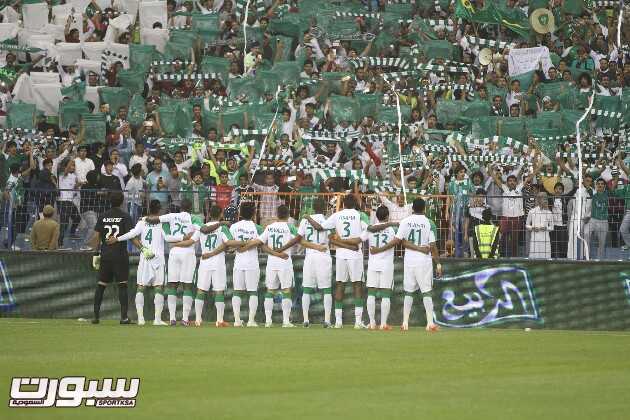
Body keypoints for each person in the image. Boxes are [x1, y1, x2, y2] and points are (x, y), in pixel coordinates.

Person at [307, 194, 368, 329]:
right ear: (355, 204)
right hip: (355, 254)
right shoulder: (360, 215)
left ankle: (338, 322)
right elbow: (367, 231)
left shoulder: (337, 215)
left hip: (340, 255)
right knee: (357, 285)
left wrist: (308, 217)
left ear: (344, 204)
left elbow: (319, 228)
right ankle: (358, 322)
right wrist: (357, 241)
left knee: (340, 285)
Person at [382, 198, 441, 332]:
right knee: (426, 291)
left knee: (408, 292)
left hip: (409, 260)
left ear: (412, 208)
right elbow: (432, 246)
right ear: (424, 209)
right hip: (424, 261)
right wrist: (438, 264)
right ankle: (430, 323)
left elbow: (399, 241)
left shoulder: (405, 221)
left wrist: (381, 249)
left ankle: (405, 323)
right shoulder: (429, 223)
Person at [145, 199, 198, 326]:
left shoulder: (172, 216)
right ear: (191, 208)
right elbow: (198, 234)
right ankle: (185, 319)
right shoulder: (194, 218)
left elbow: (154, 220)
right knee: (187, 286)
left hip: (174, 253)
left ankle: (173, 318)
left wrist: (144, 219)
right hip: (188, 253)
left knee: (172, 285)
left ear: (180, 208)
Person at [244, 204, 296, 328]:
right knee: (286, 290)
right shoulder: (291, 227)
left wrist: (245, 246)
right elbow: (297, 240)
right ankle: (286, 321)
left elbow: (259, 242)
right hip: (285, 260)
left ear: (277, 215)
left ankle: (268, 321)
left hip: (272, 262)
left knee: (270, 290)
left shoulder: (270, 227)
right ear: (288, 215)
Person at [91, 191, 134, 325]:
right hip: (120, 255)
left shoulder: (103, 216)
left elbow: (96, 237)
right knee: (122, 286)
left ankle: (96, 317)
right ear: (122, 202)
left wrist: (95, 252)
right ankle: (124, 317)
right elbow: (130, 235)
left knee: (101, 285)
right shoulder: (125, 217)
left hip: (106, 255)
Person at [223, 202, 263, 327]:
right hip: (252, 262)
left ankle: (236, 320)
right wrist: (248, 244)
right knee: (252, 292)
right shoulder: (257, 228)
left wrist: (239, 247)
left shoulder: (234, 227)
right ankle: (251, 320)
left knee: (237, 291)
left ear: (240, 213)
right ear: (254, 213)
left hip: (239, 262)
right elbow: (261, 243)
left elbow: (229, 244)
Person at [296, 199, 333, 328]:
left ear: (313, 208)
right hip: (323, 255)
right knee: (326, 289)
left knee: (307, 288)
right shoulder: (327, 220)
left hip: (310, 256)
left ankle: (306, 320)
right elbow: (332, 238)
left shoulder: (305, 220)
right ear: (324, 209)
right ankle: (327, 320)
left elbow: (299, 240)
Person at [361, 206, 397, 330]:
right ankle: (383, 324)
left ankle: (371, 323)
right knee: (385, 295)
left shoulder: (371, 229)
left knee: (371, 294)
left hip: (373, 264)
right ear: (387, 216)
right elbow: (398, 241)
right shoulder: (392, 230)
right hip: (386, 265)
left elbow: (360, 239)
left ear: (376, 216)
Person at [525, 193, 554, 259]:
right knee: (534, 256)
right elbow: (527, 225)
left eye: (545, 198)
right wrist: (532, 228)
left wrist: (546, 228)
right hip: (535, 237)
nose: (544, 200)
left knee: (546, 256)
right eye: (542, 198)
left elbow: (552, 227)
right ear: (538, 199)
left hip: (545, 238)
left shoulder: (549, 213)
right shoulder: (531, 211)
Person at [589, 178, 609, 260]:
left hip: (603, 220)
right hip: (593, 220)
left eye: (602, 184)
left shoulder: (608, 194)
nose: (600, 185)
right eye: (598, 184)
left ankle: (599, 259)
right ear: (596, 185)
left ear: (604, 186)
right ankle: (587, 256)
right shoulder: (592, 194)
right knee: (586, 234)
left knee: (602, 242)